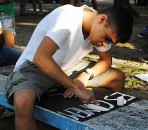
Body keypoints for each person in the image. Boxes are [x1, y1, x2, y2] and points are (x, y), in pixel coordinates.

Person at [5, 5, 133, 130]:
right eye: (107, 38)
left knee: (117, 77)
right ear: (102, 19)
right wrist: (75, 86)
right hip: (35, 67)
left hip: (68, 67)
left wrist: (84, 76)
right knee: (22, 101)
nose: (104, 44)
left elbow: (106, 61)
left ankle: (102, 125)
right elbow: (41, 58)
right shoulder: (67, 18)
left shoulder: (97, 24)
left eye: (109, 42)